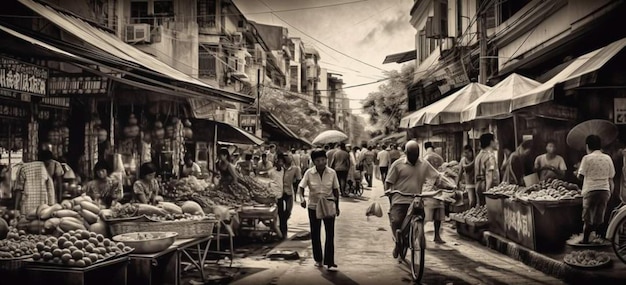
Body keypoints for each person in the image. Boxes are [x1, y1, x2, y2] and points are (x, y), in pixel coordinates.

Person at [385, 141, 456, 253]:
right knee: (396, 221)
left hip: (416, 200)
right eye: (411, 155)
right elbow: (388, 182)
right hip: (400, 199)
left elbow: (437, 177)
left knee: (421, 216)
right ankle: (398, 242)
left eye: (416, 155)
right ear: (406, 153)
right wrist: (389, 193)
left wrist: (449, 185)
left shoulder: (424, 164)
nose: (414, 157)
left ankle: (416, 237)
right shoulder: (397, 165)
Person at [298, 149, 340, 271]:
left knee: (330, 234)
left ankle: (329, 261)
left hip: (328, 205)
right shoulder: (309, 173)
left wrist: (337, 206)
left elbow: (336, 190)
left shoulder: (332, 173)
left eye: (323, 160)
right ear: (314, 161)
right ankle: (318, 259)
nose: (321, 162)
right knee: (315, 234)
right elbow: (301, 187)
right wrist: (302, 199)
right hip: (313, 206)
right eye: (318, 160)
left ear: (326, 160)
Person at [577, 135, 615, 244]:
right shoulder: (607, 158)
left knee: (587, 218)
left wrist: (578, 172)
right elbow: (611, 175)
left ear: (587, 146)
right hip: (604, 191)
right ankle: (596, 238)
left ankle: (585, 241)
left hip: (590, 191)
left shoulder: (586, 158)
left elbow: (581, 176)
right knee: (599, 217)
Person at [278, 154, 302, 238]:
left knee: (288, 211)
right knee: (280, 212)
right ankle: (282, 230)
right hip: (279, 192)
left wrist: (297, 189)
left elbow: (299, 179)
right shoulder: (280, 168)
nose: (288, 159)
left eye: (289, 158)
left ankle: (283, 225)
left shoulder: (295, 169)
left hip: (289, 191)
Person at [474, 133, 500, 206]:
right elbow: (489, 177)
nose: (497, 142)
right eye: (495, 140)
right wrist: (487, 193)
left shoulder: (478, 156)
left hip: (478, 185)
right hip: (488, 187)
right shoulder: (490, 156)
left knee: (480, 209)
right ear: (491, 142)